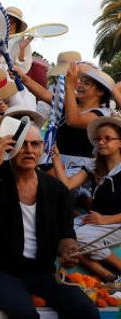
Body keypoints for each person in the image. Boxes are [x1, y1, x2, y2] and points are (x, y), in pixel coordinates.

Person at [0, 127, 99, 319]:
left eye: (35, 144)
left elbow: (66, 235)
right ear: (9, 148)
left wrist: (69, 250)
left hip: (41, 273)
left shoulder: (56, 189)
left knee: (86, 310)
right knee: (25, 314)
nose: (29, 150)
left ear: (42, 148)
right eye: (22, 144)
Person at [52, 116, 121, 282]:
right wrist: (56, 160)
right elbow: (67, 185)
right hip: (95, 221)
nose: (101, 142)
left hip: (115, 222)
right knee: (60, 235)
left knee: (77, 237)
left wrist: (106, 219)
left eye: (108, 139)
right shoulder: (94, 166)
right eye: (98, 139)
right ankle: (108, 275)